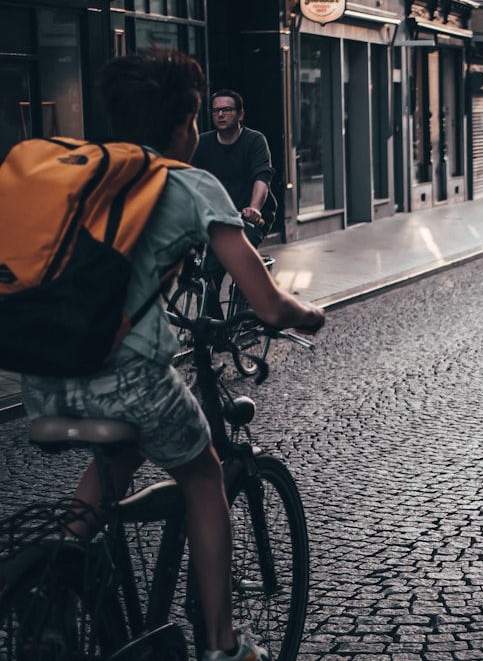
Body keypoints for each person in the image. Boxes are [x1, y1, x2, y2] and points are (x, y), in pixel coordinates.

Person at [20, 47, 326, 661]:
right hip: (126, 379)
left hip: (45, 378)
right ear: (185, 121)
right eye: (195, 118)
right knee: (204, 472)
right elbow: (264, 302)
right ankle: (221, 644)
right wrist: (309, 313)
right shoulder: (188, 184)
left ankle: (58, 578)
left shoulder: (81, 171)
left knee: (124, 452)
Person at [192, 89, 274, 317]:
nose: (220, 114)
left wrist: (254, 208)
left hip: (249, 216)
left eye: (227, 110)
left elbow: (262, 177)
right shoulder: (203, 144)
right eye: (216, 110)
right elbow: (191, 179)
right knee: (206, 273)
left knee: (236, 257)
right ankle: (214, 328)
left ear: (240, 114)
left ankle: (247, 305)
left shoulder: (254, 141)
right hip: (217, 218)